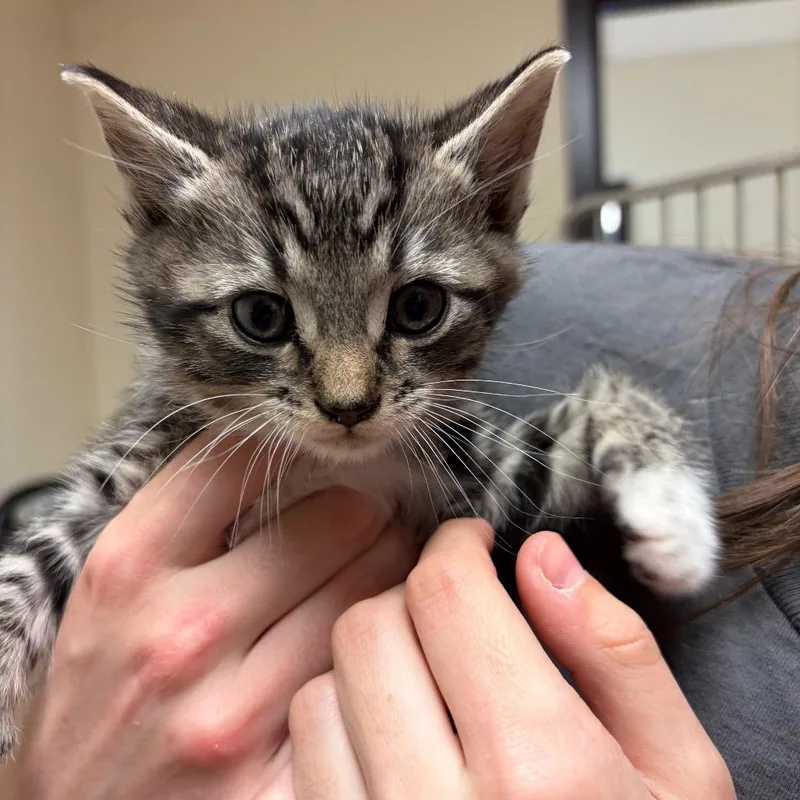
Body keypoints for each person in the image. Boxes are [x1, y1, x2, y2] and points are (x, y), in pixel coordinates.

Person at [7, 244, 800, 798]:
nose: (348, 393)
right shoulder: (183, 430)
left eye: (413, 310)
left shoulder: (439, 448)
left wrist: (632, 433)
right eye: (263, 316)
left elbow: (525, 480)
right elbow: (59, 543)